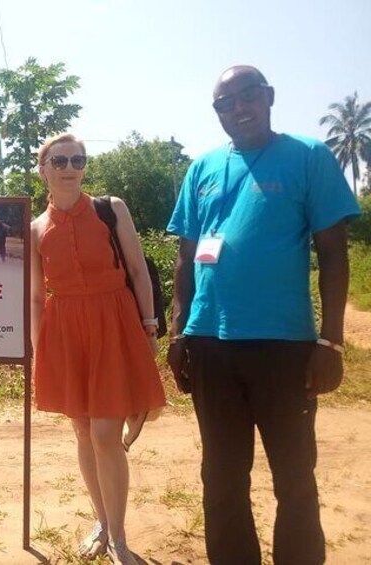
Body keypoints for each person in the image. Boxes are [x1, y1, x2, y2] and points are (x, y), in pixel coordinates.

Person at [166, 66, 361, 565]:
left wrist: (330, 342)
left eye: (247, 95)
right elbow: (186, 257)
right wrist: (179, 331)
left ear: (269, 96)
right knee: (222, 478)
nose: (238, 108)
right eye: (225, 103)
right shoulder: (202, 169)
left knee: (294, 477)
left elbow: (334, 256)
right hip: (210, 345)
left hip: (284, 348)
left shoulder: (308, 156)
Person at [30, 133, 166, 565]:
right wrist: (39, 350)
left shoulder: (112, 209)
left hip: (114, 322)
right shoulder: (34, 228)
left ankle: (120, 537)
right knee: (83, 431)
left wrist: (148, 326)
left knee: (106, 434)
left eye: (78, 159)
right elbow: (35, 297)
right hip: (65, 331)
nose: (70, 167)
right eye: (60, 160)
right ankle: (102, 522)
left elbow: (139, 270)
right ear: (44, 168)